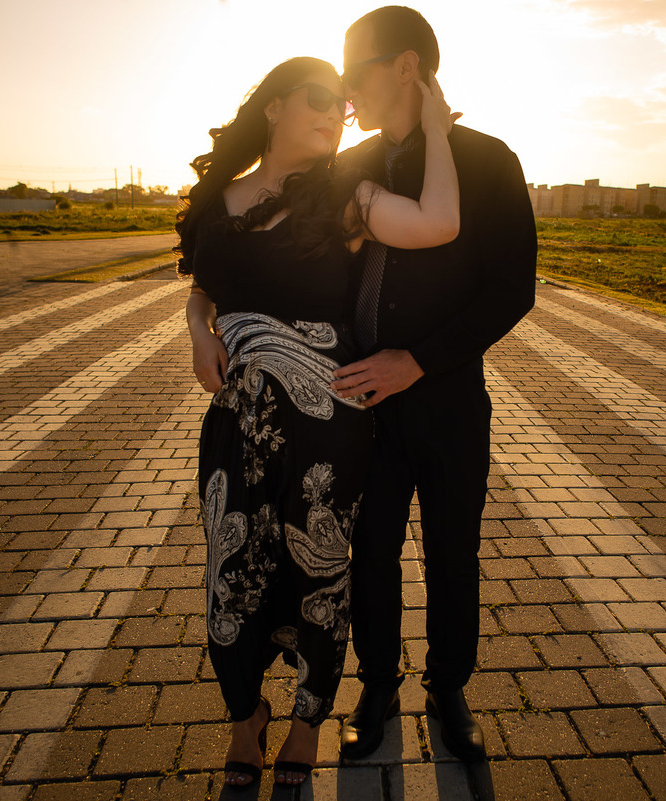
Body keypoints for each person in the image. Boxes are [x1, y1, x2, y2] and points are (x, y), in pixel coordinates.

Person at [179, 56, 460, 788]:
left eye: (342, 104)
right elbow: (205, 284)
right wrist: (197, 326)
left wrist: (434, 126)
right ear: (272, 107)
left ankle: (306, 723)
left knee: (320, 571)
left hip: (327, 420)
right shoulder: (220, 196)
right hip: (236, 421)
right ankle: (247, 717)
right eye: (316, 98)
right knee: (230, 572)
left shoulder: (343, 195)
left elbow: (438, 223)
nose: (334, 111)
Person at [330, 7, 537, 763]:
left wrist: (416, 360)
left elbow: (512, 289)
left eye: (358, 74)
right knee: (370, 550)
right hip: (363, 405)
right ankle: (377, 685)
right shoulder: (347, 165)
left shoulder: (487, 161)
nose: (348, 94)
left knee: (453, 551)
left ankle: (448, 688)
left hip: (449, 402)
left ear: (407, 66)